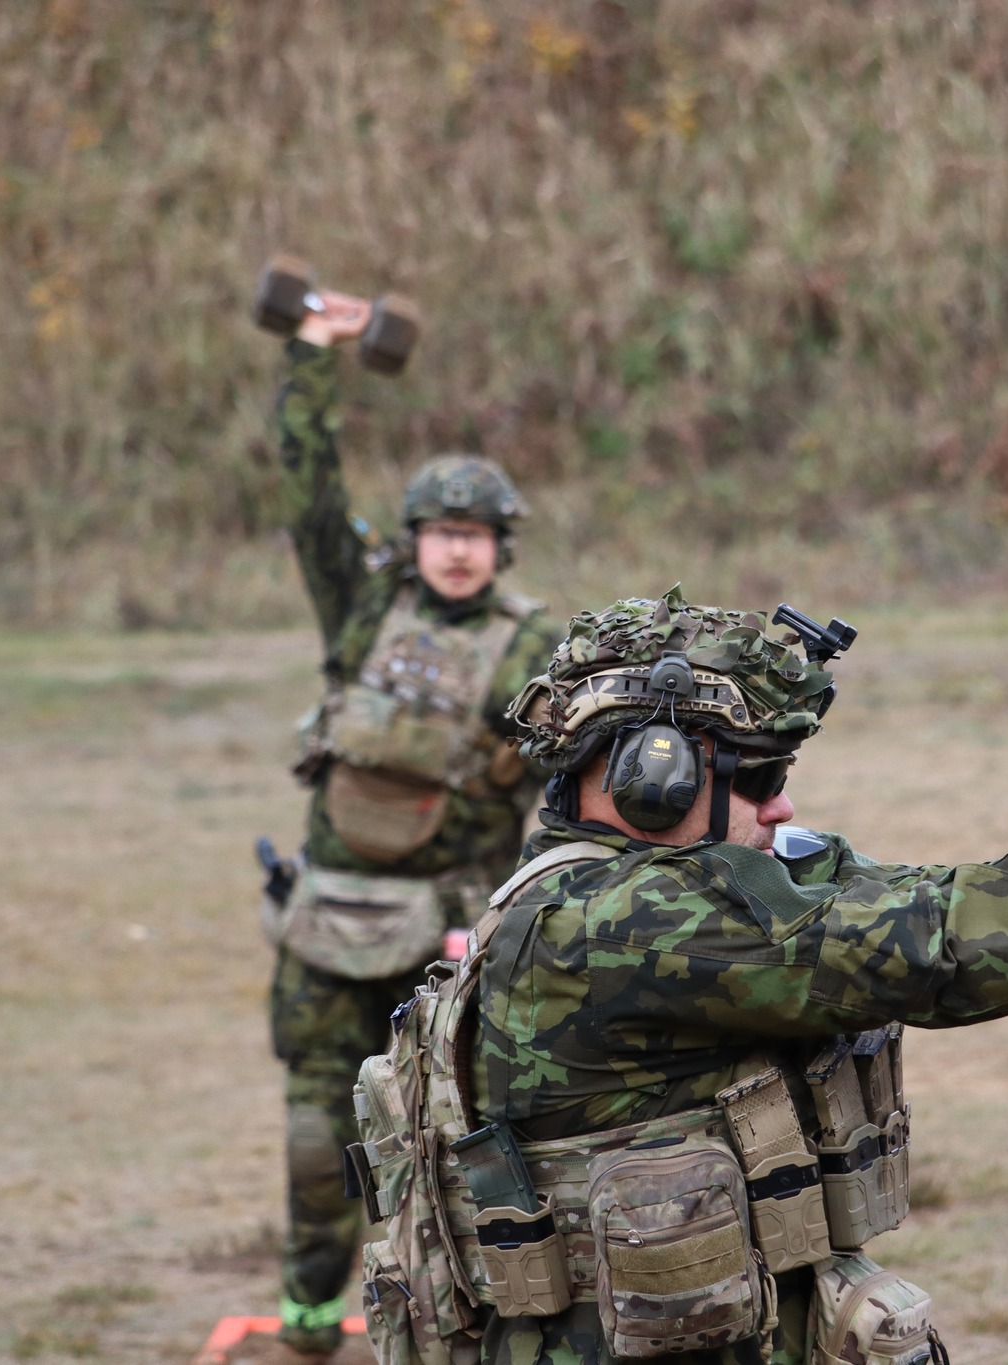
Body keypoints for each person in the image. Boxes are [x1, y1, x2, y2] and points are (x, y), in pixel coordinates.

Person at [349, 587, 1008, 1365]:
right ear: (649, 780)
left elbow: (917, 894)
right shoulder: (607, 925)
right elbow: (935, 940)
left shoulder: (650, 895)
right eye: (755, 779)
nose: (779, 811)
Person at [260, 291, 560, 1358]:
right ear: (413, 541)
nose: (458, 553)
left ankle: (476, 1323)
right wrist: (312, 356)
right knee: (313, 1132)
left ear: (500, 546)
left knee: (463, 1142)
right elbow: (306, 489)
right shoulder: (360, 609)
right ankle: (306, 1316)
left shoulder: (536, 652)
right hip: (329, 923)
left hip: (446, 930)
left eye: (475, 536)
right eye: (440, 534)